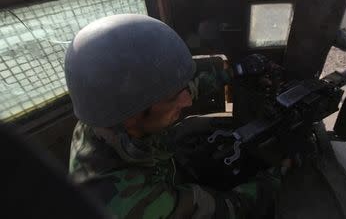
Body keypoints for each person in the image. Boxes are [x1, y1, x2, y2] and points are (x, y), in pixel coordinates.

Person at [65, 14, 282, 218]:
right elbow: (224, 209)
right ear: (132, 115)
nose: (187, 101)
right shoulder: (130, 202)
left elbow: (184, 84)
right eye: (173, 98)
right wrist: (276, 175)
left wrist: (236, 70)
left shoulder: (107, 108)